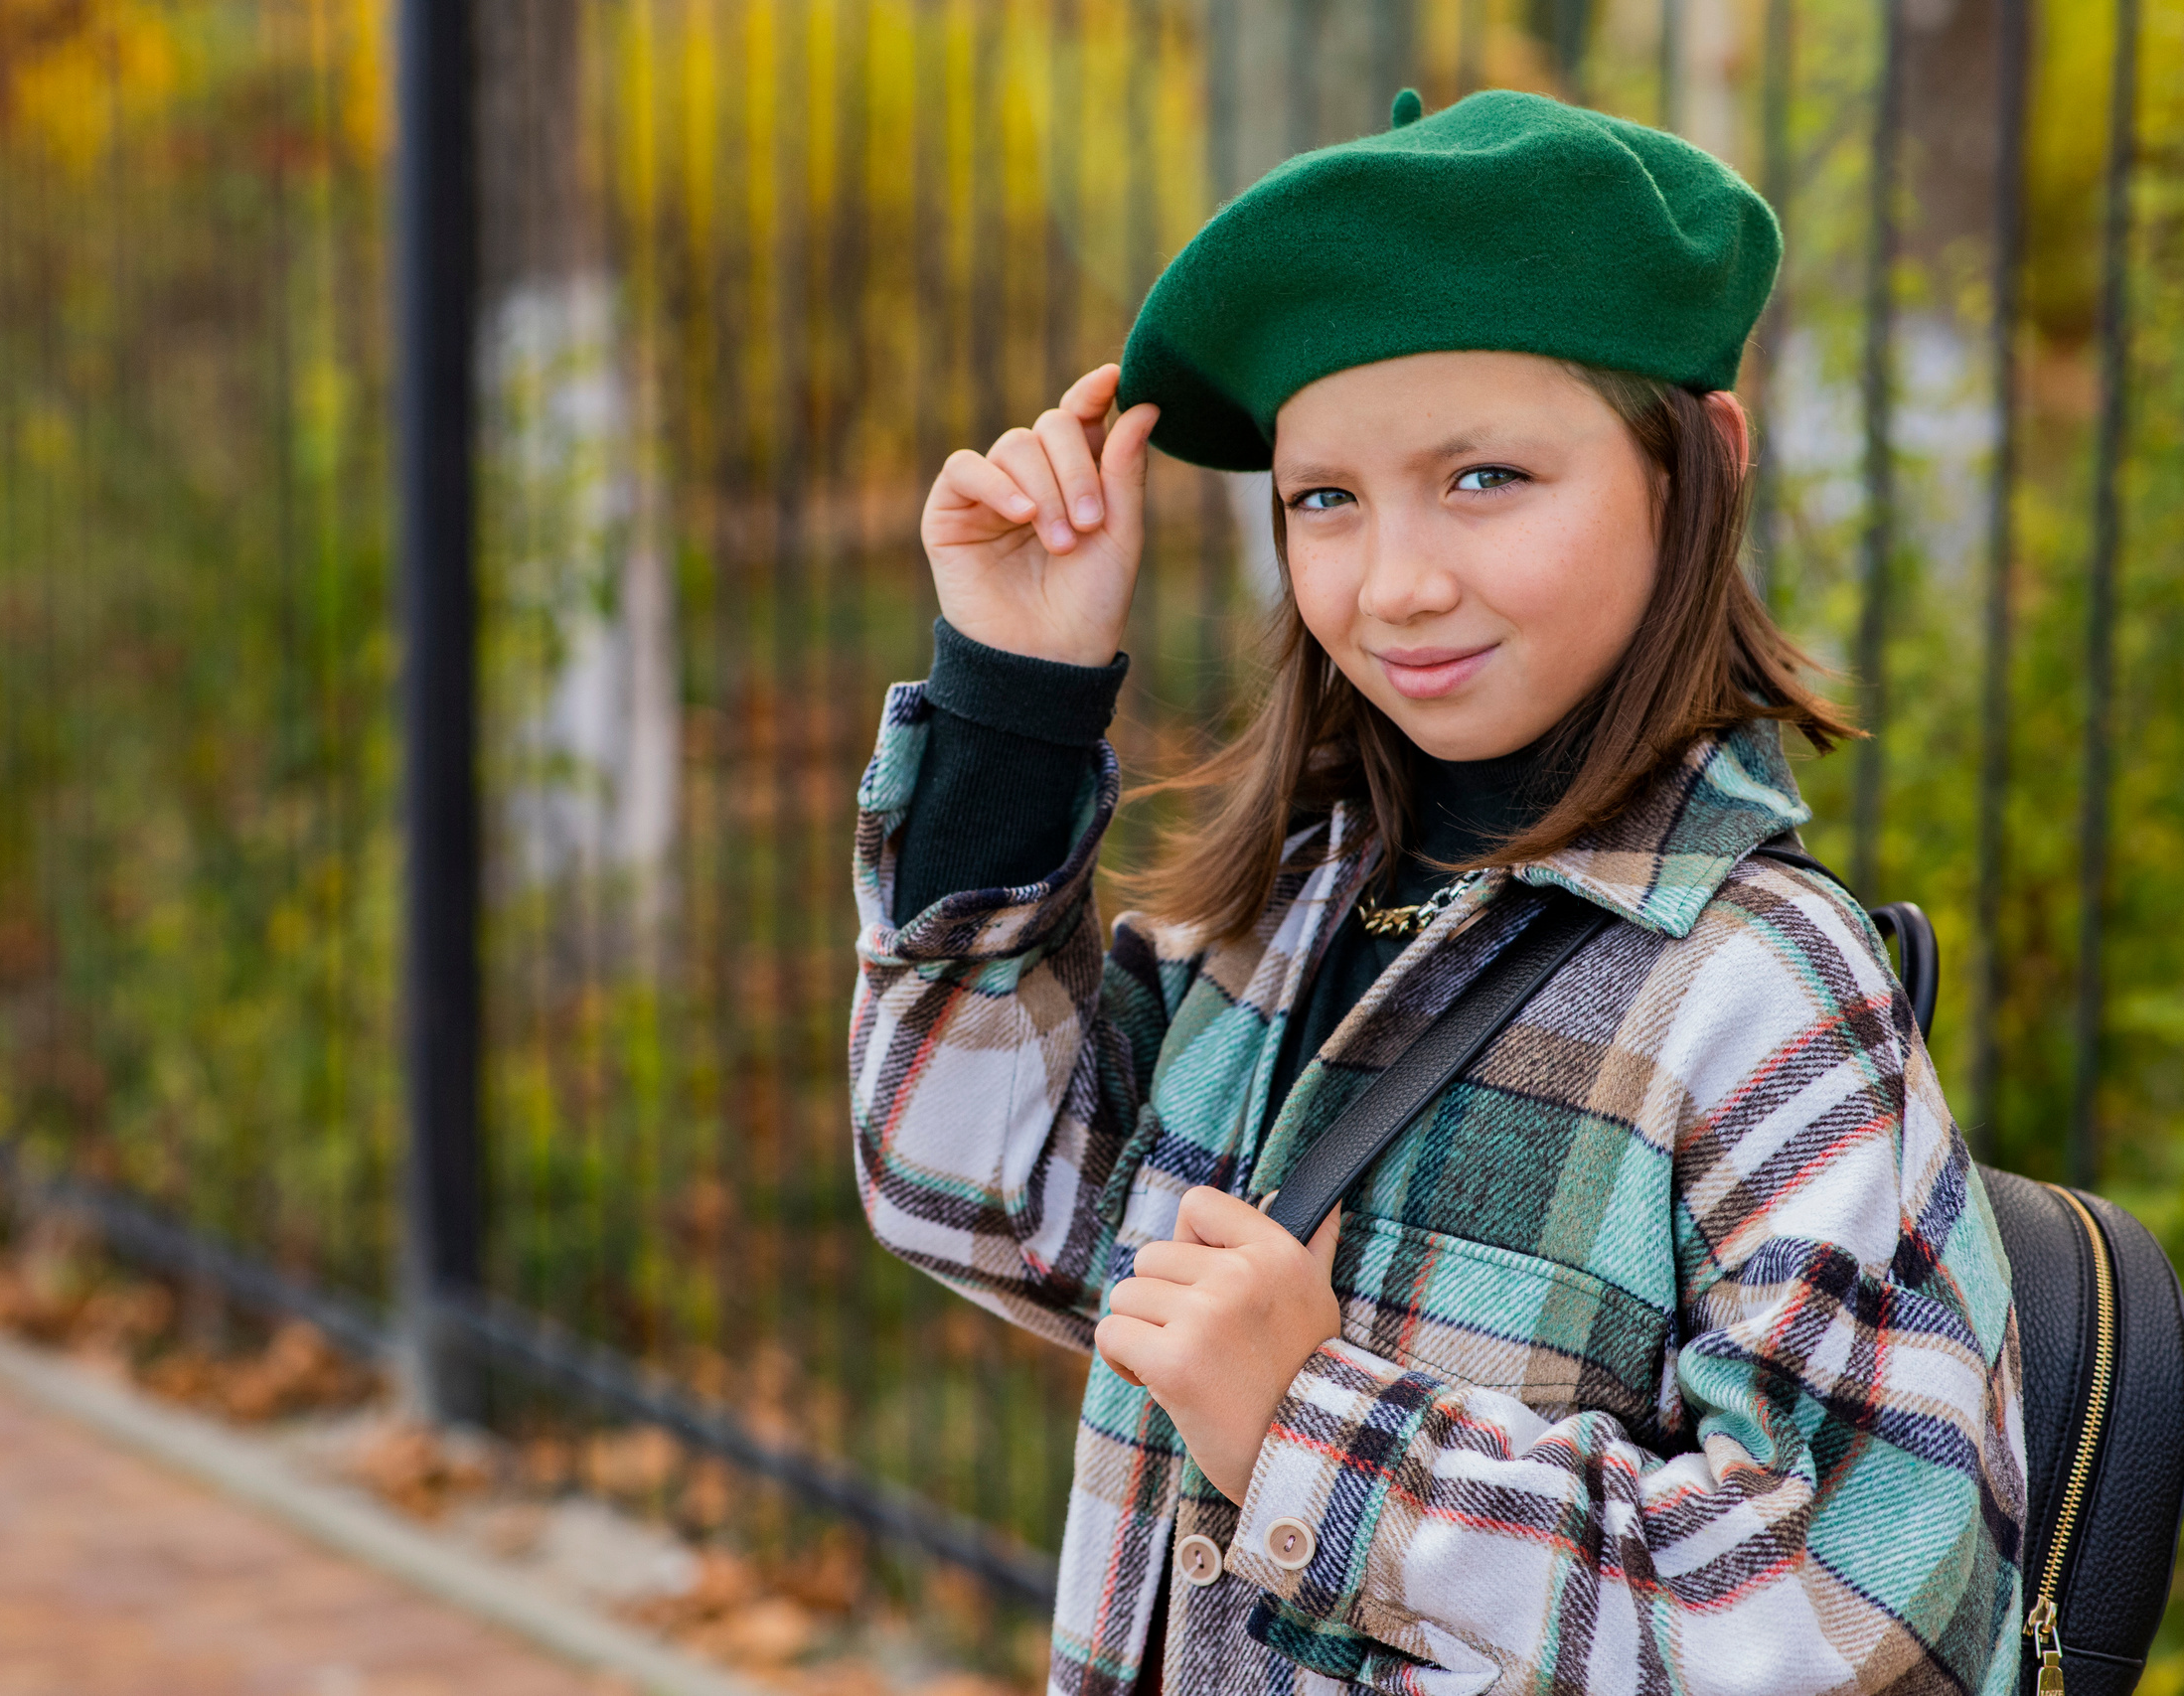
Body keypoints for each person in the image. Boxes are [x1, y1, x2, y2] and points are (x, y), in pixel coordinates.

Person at [846, 89, 2024, 1695]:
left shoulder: (1760, 988)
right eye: (1325, 498)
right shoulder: (1282, 919)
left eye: (1483, 477)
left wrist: (1313, 1438)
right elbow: (970, 1188)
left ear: (1699, 466)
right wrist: (1013, 695)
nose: (1394, 581)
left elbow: (1852, 1617)